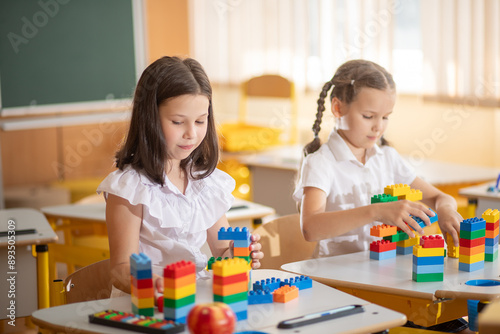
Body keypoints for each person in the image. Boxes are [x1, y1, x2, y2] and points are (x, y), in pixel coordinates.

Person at [293, 59, 469, 333]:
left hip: (387, 281)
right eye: (369, 116)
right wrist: (375, 211)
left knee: (457, 324)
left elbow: (438, 197)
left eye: (385, 117)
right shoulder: (320, 163)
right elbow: (311, 227)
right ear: (338, 107)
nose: (378, 127)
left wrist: (445, 208)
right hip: (342, 288)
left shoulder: (387, 157)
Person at [97, 56, 263, 295]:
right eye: (177, 122)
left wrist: (239, 254)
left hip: (193, 299)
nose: (191, 134)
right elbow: (121, 268)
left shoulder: (203, 182)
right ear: (149, 119)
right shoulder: (130, 187)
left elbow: (221, 250)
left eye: (200, 121)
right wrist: (154, 283)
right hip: (145, 306)